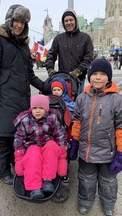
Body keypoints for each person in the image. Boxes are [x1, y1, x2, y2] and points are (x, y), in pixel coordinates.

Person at [0, 4, 48, 185]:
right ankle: (1, 171)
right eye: (16, 21)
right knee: (3, 136)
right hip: (4, 97)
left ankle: (15, 162)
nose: (19, 25)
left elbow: (29, 74)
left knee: (19, 135)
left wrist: (45, 87)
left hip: (21, 98)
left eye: (22, 22)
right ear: (9, 20)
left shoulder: (23, 46)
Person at [69, 58, 122, 216]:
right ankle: (86, 200)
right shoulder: (82, 98)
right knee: (86, 178)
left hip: (108, 152)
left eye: (103, 74)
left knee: (108, 181)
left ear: (109, 78)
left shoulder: (116, 99)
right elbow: (77, 122)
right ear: (89, 76)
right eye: (95, 74)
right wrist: (74, 143)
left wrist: (120, 152)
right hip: (86, 151)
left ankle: (108, 202)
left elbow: (120, 127)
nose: (98, 77)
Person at [13, 94, 67, 199]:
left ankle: (48, 180)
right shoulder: (25, 120)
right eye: (35, 108)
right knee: (33, 155)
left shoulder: (52, 118)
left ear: (46, 109)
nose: (38, 111)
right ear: (31, 109)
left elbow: (60, 135)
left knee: (51, 147)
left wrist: (62, 157)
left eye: (41, 108)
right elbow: (19, 139)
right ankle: (34, 187)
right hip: (32, 146)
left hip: (48, 145)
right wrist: (19, 158)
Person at [46, 8, 94, 93]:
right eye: (66, 21)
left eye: (71, 20)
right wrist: (50, 69)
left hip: (79, 80)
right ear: (63, 23)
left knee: (77, 103)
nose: (69, 23)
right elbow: (51, 54)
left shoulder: (85, 38)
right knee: (64, 104)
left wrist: (78, 71)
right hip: (63, 79)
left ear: (75, 21)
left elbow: (88, 58)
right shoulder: (58, 38)